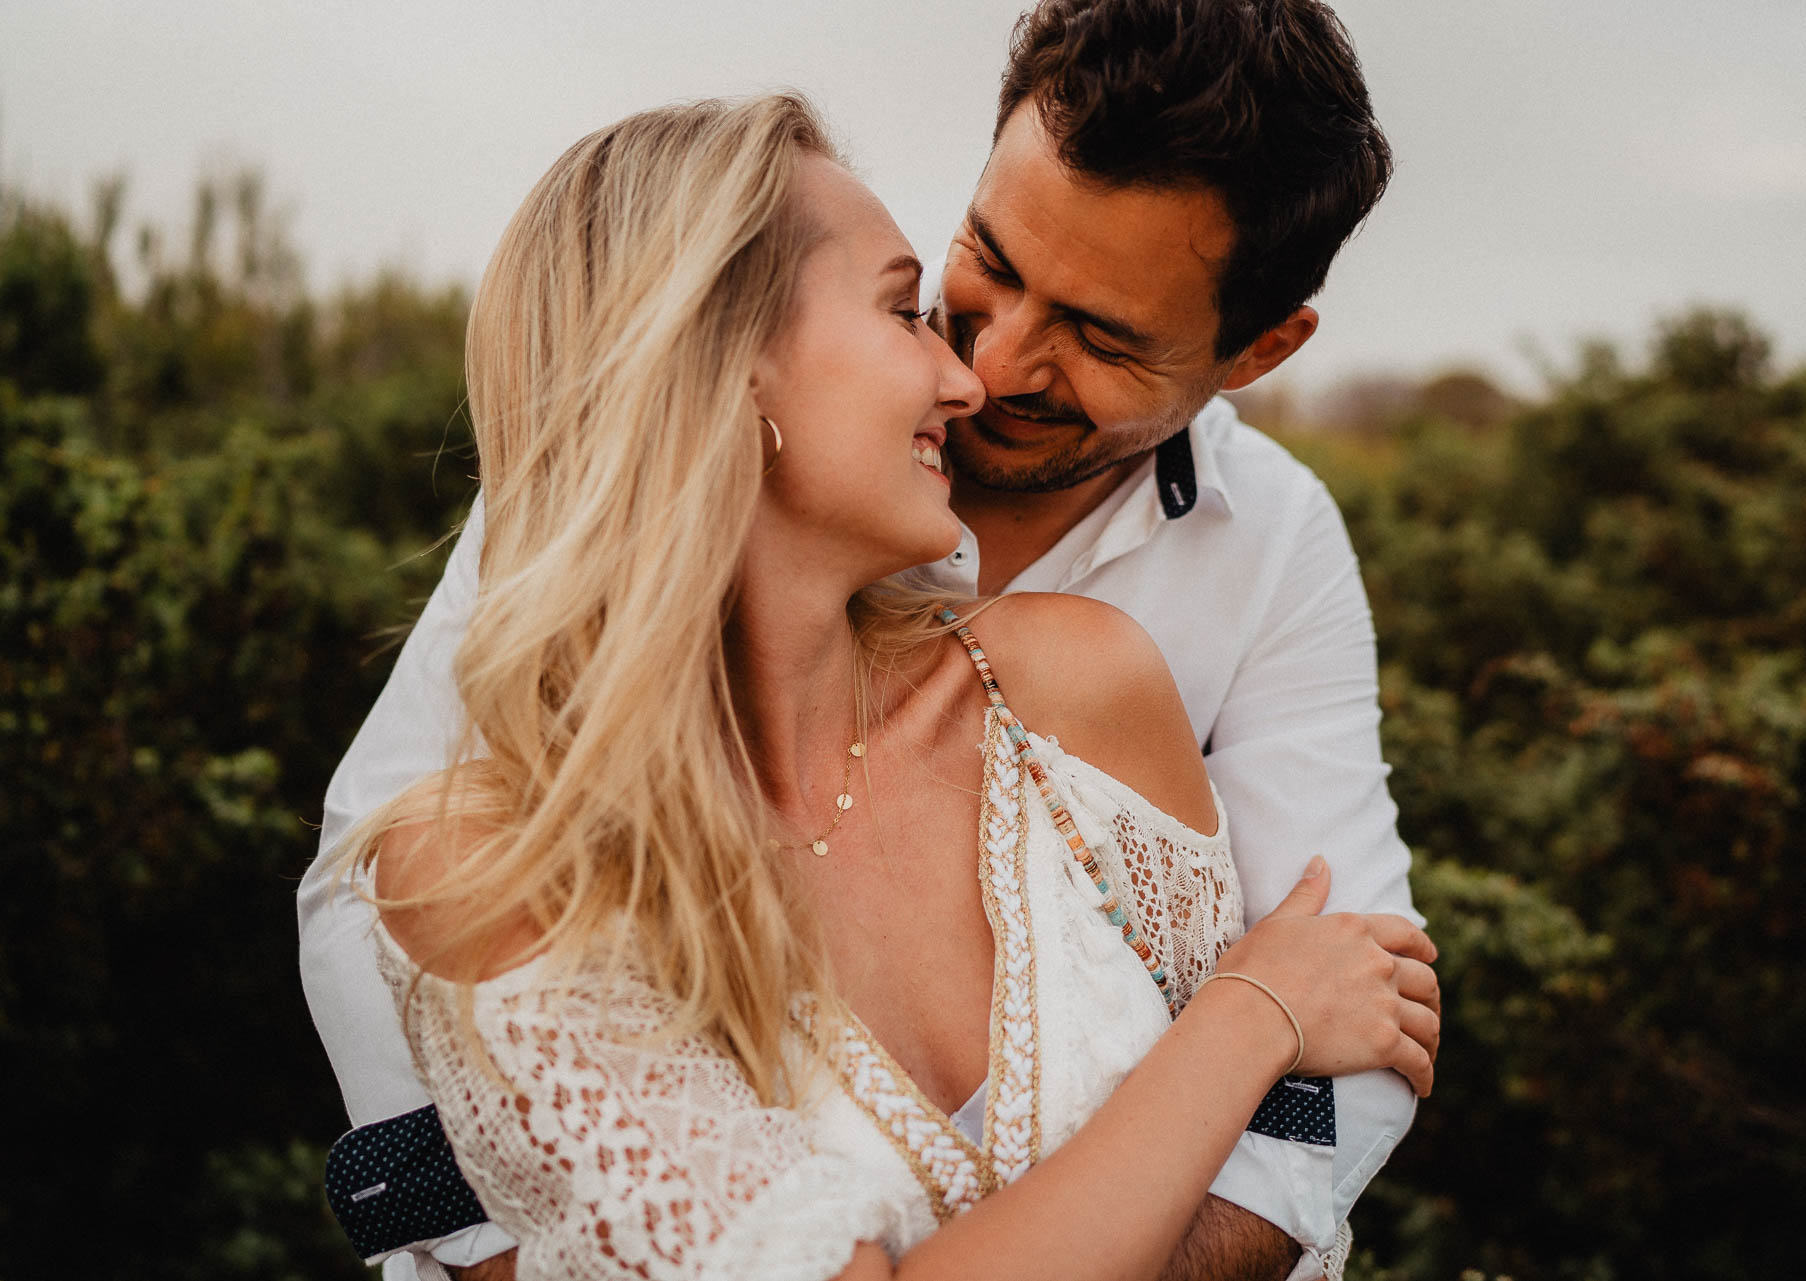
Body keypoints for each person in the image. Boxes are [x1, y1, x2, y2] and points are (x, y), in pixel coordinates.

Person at [301, 3, 1424, 1278]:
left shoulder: (1163, 622)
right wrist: (550, 1223)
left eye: (1101, 336)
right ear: (726, 371)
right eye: (977, 269)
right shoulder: (587, 528)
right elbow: (381, 897)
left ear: (1257, 350)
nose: (986, 367)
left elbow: (1343, 1001)